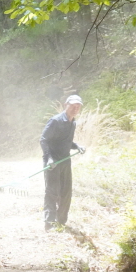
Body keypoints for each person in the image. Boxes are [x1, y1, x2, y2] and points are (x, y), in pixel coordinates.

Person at [40, 94, 86, 231]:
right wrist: (49, 158)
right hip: (52, 161)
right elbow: (43, 140)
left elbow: (66, 142)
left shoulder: (73, 122)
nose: (75, 109)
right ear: (66, 105)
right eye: (72, 106)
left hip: (65, 160)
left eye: (78, 106)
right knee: (52, 192)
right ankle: (49, 223)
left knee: (66, 192)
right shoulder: (55, 121)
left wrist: (77, 146)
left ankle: (61, 222)